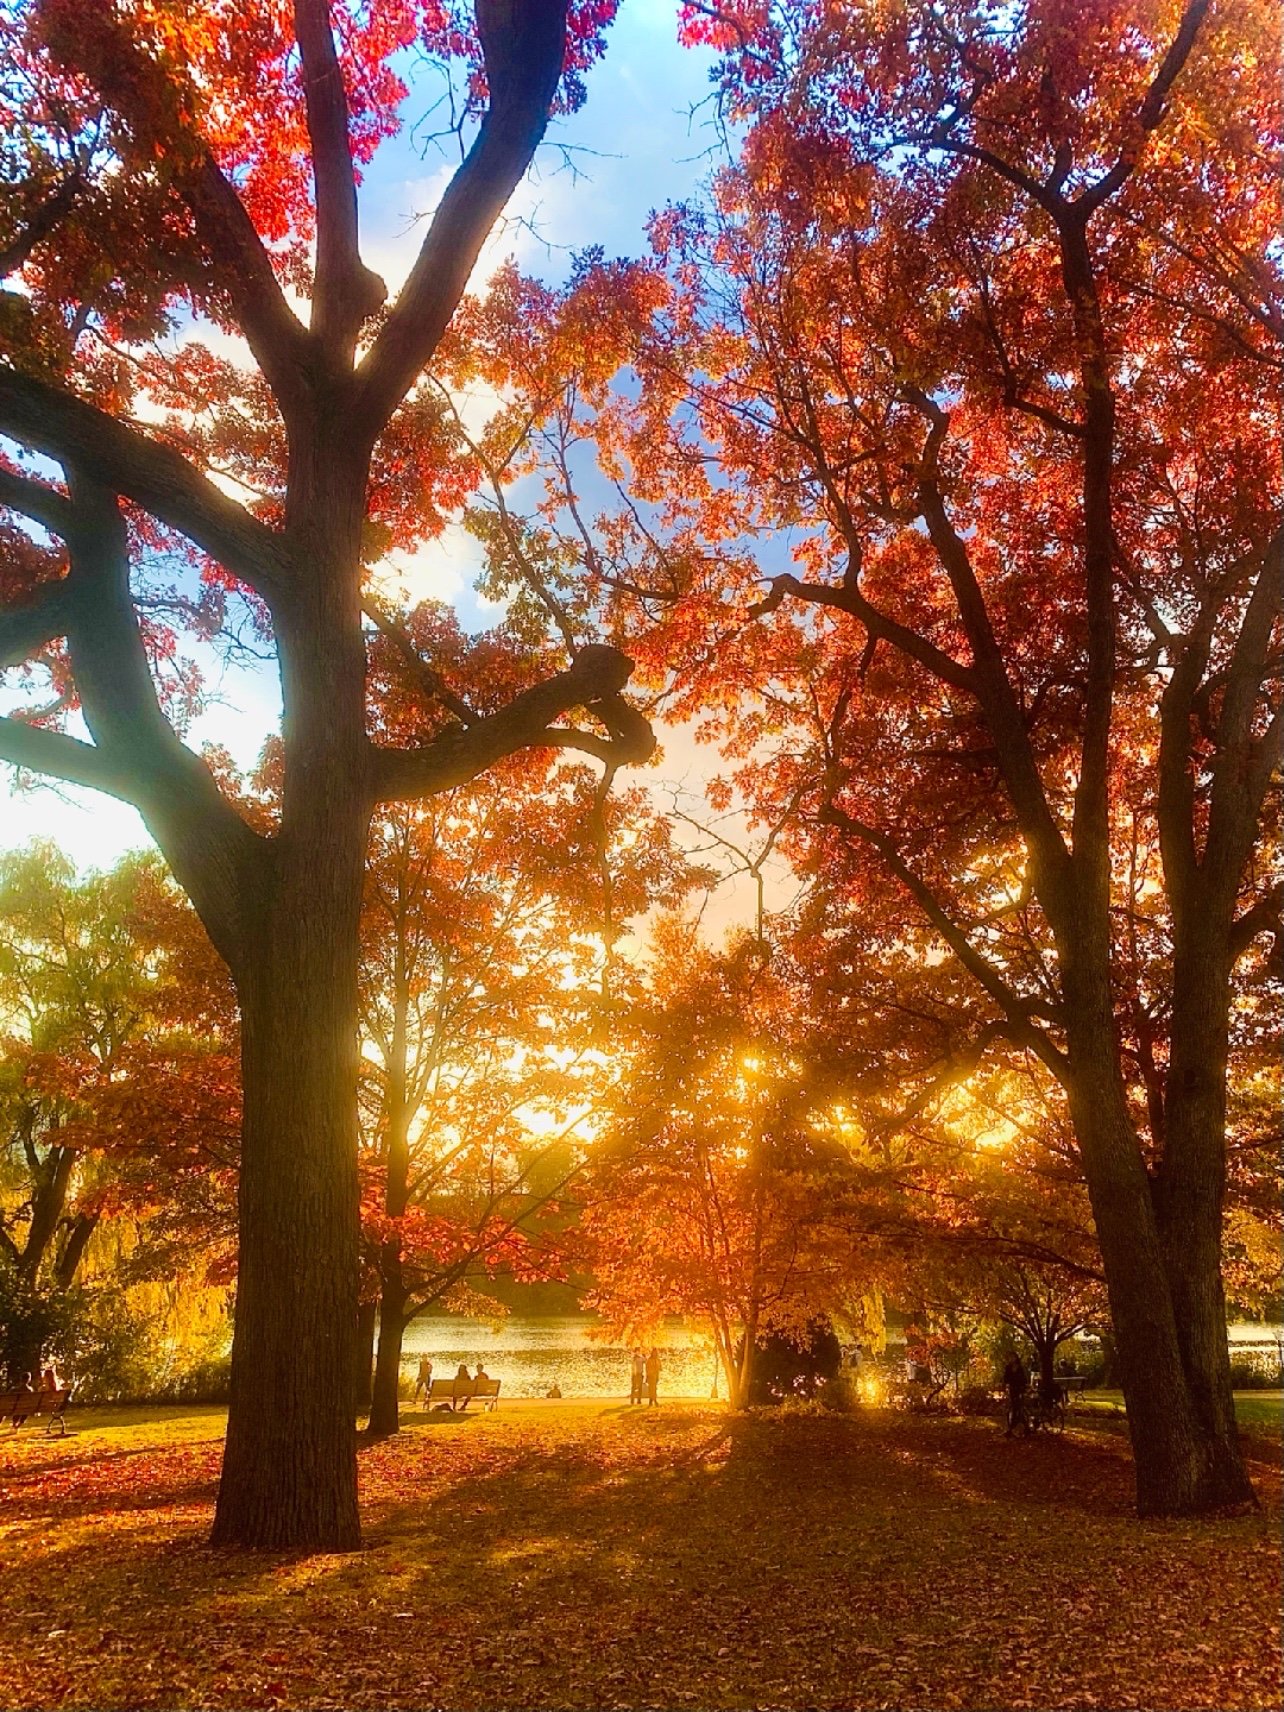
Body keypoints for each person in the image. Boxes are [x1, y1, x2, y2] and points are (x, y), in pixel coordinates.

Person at [1003, 1352, 1029, 1437]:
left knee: (1019, 1409)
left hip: (1020, 1389)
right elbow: (1006, 1379)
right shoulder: (1008, 1368)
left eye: (1013, 1357)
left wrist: (1023, 1386)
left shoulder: (1020, 1368)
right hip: (1013, 1390)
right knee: (1014, 1409)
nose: (1012, 1359)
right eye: (1010, 1357)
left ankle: (1015, 1428)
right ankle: (1012, 1428)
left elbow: (1023, 1379)